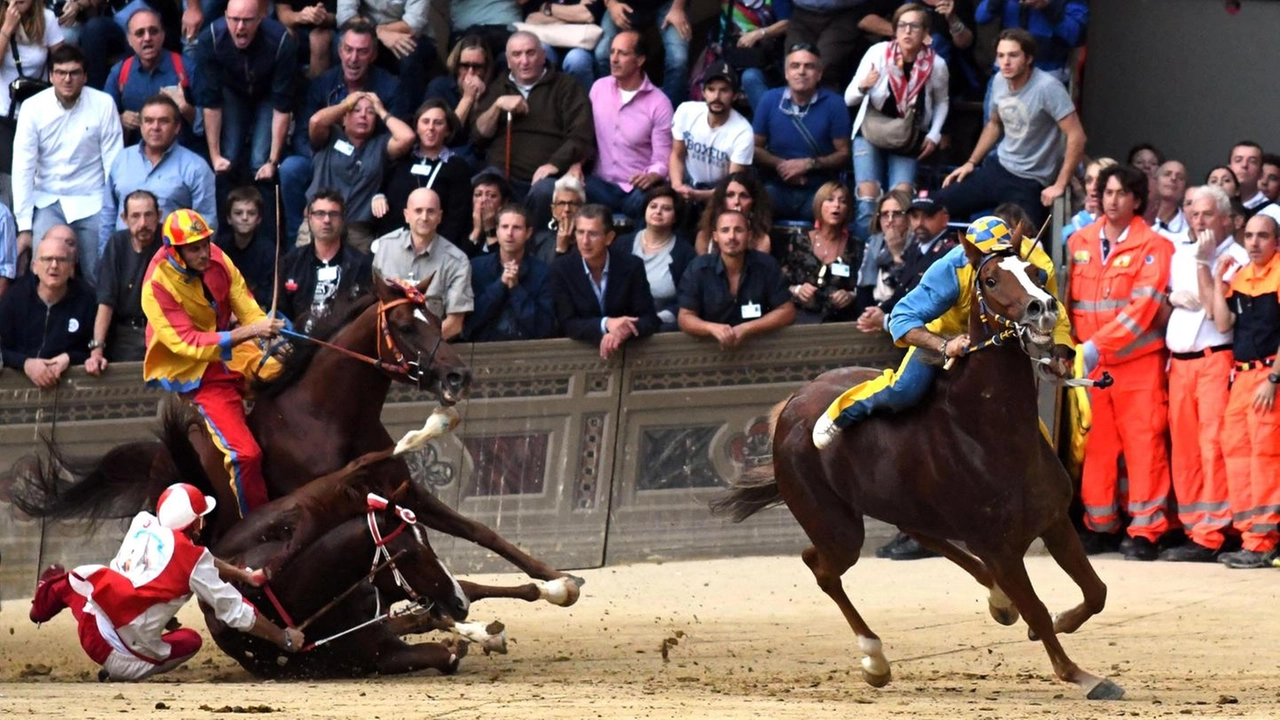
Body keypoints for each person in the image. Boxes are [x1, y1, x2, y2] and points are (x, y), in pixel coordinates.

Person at [813, 215, 1073, 449]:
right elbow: (901, 318)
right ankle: (842, 411)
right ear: (971, 255)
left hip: (1001, 338)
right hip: (944, 335)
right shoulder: (951, 269)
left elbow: (1055, 313)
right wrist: (942, 346)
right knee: (906, 390)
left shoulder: (1036, 264)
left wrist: (1059, 354)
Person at [29, 483, 304, 682]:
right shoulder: (193, 560)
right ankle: (119, 673)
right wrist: (283, 638)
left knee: (67, 584)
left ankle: (38, 608)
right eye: (201, 518)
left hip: (90, 619)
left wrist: (244, 575)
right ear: (194, 523)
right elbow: (235, 611)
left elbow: (200, 561)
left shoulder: (143, 522)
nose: (204, 523)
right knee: (191, 640)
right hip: (116, 654)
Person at [141, 208, 284, 517]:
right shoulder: (156, 286)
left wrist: (267, 335)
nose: (205, 253)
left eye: (206, 243)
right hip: (192, 368)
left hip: (227, 345)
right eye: (195, 248)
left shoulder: (218, 257)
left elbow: (245, 304)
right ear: (176, 252)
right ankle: (259, 523)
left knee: (288, 369)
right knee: (245, 455)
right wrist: (251, 331)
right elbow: (188, 342)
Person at [1067, 165, 1175, 560]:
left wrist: (1095, 345)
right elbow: (1070, 303)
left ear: (1137, 200)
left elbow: (1142, 309)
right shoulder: (1079, 242)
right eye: (1107, 192)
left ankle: (1147, 530)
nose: (1112, 200)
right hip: (1093, 367)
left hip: (1137, 364)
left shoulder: (1155, 246)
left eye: (1120, 194)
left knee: (1144, 448)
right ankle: (1100, 525)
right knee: (1096, 448)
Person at [1159, 185, 1250, 563]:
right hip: (1179, 362)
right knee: (1184, 448)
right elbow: (1172, 302)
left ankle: (1213, 532)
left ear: (1226, 219)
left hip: (1215, 358)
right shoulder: (1181, 252)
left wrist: (1205, 264)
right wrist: (1169, 298)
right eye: (1194, 213)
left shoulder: (1236, 257)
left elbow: (1220, 319)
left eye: (1208, 214)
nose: (1199, 221)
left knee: (1212, 446)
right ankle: (1194, 525)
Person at [934, 29, 1085, 228]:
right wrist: (971, 162)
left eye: (1013, 55)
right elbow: (995, 124)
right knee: (932, 207)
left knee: (1022, 245)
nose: (1005, 62)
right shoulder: (998, 80)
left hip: (1031, 180)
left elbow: (1077, 135)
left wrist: (1060, 184)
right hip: (998, 167)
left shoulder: (1048, 87)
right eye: (1001, 56)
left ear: (1029, 58)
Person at [1205, 214, 1280, 570]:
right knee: (1236, 454)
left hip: (1269, 376)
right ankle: (1251, 536)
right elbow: (1223, 323)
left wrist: (1274, 379)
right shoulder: (1242, 277)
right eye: (1249, 235)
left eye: (1262, 236)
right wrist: (1219, 285)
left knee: (1266, 459)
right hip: (1242, 378)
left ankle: (1264, 541)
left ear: (1275, 241)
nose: (1253, 242)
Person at [12, 44, 123, 282]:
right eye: (61, 72)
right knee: (42, 269)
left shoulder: (104, 104)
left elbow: (114, 164)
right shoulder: (33, 108)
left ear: (85, 76)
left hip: (93, 200)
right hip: (48, 199)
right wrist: (24, 226)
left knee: (99, 273)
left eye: (74, 73)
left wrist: (112, 212)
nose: (67, 79)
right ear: (51, 76)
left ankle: (97, 319)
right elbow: (23, 166)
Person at [471, 31, 595, 232]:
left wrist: (553, 164)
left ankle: (533, 248)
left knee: (546, 191)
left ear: (543, 55)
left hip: (544, 177)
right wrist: (497, 106)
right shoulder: (498, 87)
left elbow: (580, 134)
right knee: (484, 189)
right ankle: (486, 244)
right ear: (508, 61)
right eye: (517, 55)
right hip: (502, 176)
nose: (524, 61)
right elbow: (478, 136)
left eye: (530, 53)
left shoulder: (566, 86)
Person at [844, 4, 950, 203]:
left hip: (908, 133)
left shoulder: (936, 64)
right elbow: (849, 99)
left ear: (926, 33)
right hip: (871, 129)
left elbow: (942, 101)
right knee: (868, 195)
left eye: (914, 26)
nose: (907, 31)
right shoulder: (878, 53)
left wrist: (934, 134)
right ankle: (867, 234)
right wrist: (863, 86)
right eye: (902, 26)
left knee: (901, 198)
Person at [194, 0, 297, 184]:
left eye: (247, 20)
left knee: (260, 161)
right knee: (228, 158)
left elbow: (282, 107)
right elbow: (211, 102)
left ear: (260, 18)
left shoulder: (280, 41)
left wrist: (272, 162)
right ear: (225, 16)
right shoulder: (211, 38)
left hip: (268, 94)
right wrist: (215, 156)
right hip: (232, 91)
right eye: (234, 19)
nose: (240, 27)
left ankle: (264, 207)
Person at [99, 94, 216, 253]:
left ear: (177, 127)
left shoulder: (196, 167)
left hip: (171, 262)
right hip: (124, 258)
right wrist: (105, 255)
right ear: (141, 126)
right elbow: (108, 213)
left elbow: (206, 222)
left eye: (164, 121)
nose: (155, 127)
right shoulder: (122, 159)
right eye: (148, 121)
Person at [301, 91, 414, 252]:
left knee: (358, 276)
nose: (363, 116)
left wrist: (381, 110)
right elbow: (316, 121)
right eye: (356, 110)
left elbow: (407, 137)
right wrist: (346, 104)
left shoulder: (380, 145)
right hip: (319, 221)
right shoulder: (330, 135)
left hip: (357, 230)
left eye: (370, 112)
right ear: (344, 118)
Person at [752, 43, 851, 222]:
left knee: (831, 207)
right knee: (755, 205)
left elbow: (844, 154)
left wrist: (809, 164)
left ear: (819, 74)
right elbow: (755, 148)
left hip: (819, 189)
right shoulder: (769, 100)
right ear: (786, 73)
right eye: (795, 66)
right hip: (777, 186)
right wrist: (784, 166)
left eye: (809, 66)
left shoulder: (835, 104)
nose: (801, 71)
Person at [549, 203, 660, 359]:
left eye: (593, 234)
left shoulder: (631, 266)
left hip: (627, 356)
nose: (585, 241)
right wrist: (606, 324)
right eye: (580, 232)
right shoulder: (561, 269)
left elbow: (650, 319)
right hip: (578, 356)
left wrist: (623, 331)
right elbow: (566, 324)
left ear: (609, 238)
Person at [587, 30, 673, 222]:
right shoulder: (598, 88)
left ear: (640, 60)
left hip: (635, 190)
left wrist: (652, 175)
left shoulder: (659, 103)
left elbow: (663, 158)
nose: (614, 59)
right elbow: (583, 135)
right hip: (599, 184)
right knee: (568, 188)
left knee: (653, 201)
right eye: (612, 52)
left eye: (623, 53)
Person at [678, 208, 795, 349]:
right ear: (715, 236)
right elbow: (685, 317)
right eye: (725, 230)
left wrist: (747, 328)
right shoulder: (698, 268)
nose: (732, 236)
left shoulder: (766, 265)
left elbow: (787, 311)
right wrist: (711, 328)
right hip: (710, 351)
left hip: (759, 350)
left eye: (738, 230)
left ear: (749, 235)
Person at [371, 187, 474, 340]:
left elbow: (454, 324)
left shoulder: (457, 261)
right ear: (406, 215)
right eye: (418, 211)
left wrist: (421, 348)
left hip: (433, 352)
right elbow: (373, 304)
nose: (424, 217)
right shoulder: (385, 248)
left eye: (431, 211)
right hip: (389, 350)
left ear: (440, 217)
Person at [0, 228, 98, 387]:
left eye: (61, 259)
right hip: (18, 387)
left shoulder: (87, 300)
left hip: (70, 388)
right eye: (47, 259)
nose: (54, 265)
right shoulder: (16, 297)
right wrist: (26, 364)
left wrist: (68, 358)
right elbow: (2, 349)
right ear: (34, 266)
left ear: (72, 267)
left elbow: (97, 351)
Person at [377, 99, 473, 242]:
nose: (431, 128)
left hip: (435, 248)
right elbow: (383, 189)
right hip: (394, 244)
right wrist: (378, 196)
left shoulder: (458, 167)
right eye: (425, 121)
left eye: (438, 123)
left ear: (447, 130)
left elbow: (457, 218)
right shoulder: (402, 159)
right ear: (416, 127)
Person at [279, 189, 372, 330]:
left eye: (333, 214)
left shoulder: (361, 265)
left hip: (341, 345)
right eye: (320, 214)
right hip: (297, 343)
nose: (327, 220)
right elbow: (279, 310)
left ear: (342, 219)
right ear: (309, 218)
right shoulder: (291, 262)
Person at [669, 62, 753, 215]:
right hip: (687, 183)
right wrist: (677, 186)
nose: (717, 96)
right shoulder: (686, 111)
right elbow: (677, 155)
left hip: (720, 192)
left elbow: (732, 186)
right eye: (711, 89)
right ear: (703, 92)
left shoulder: (743, 132)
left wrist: (699, 196)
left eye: (724, 91)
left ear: (735, 95)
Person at [103, 8, 195, 147]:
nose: (147, 38)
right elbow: (103, 122)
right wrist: (120, 119)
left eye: (153, 31)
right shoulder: (119, 73)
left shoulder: (186, 68)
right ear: (129, 40)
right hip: (136, 160)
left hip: (181, 158)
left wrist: (185, 109)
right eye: (140, 33)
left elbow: (210, 120)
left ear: (163, 35)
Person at [465, 203, 555, 342]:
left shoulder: (542, 273)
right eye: (505, 227)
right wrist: (500, 285)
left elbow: (544, 328)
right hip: (481, 351)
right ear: (497, 231)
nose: (509, 233)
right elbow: (469, 322)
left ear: (528, 233)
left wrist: (516, 288)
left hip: (528, 352)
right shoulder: (476, 267)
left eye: (517, 228)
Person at [92, 190, 163, 364]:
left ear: (159, 216)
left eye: (148, 215)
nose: (143, 223)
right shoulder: (117, 244)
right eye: (135, 216)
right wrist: (97, 349)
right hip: (127, 334)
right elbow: (106, 301)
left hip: (165, 331)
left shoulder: (169, 241)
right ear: (124, 219)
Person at [613, 185, 695, 331]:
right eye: (653, 206)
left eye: (666, 208)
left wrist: (659, 318)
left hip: (663, 326)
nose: (658, 211)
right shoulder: (622, 244)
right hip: (620, 322)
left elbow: (688, 299)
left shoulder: (685, 252)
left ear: (676, 217)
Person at [783, 181, 859, 324]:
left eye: (842, 201)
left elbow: (864, 290)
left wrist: (851, 295)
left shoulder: (856, 246)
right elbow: (782, 285)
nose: (836, 205)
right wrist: (798, 290)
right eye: (830, 200)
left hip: (840, 323)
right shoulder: (798, 241)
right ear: (819, 205)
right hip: (801, 321)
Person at [334, 0, 438, 104]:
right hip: (365, 31)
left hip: (405, 34)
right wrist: (376, 32)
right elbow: (345, 16)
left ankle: (408, 114)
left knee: (409, 54)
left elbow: (414, 24)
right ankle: (338, 102)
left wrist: (381, 30)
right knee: (340, 44)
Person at [593, 0, 691, 108]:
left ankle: (669, 115)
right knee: (602, 54)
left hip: (667, 4)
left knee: (678, 59)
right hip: (623, 4)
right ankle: (609, 107)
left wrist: (678, 8)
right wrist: (611, 4)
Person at [785, 0, 897, 91]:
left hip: (846, 12)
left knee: (825, 68)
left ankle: (826, 114)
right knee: (794, 66)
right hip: (802, 12)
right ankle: (794, 114)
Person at [708, 0, 789, 112]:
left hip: (771, 61)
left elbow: (787, 23)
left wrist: (759, 34)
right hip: (741, 59)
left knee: (750, 77)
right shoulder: (728, 4)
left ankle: (769, 123)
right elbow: (722, 40)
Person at [0, 0, 64, 120]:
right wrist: (7, 28)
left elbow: (63, 61)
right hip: (4, 111)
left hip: (40, 111)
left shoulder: (47, 18)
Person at [213, 185, 275, 306]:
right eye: (238, 213)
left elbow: (269, 294)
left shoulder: (268, 250)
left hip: (256, 308)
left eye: (251, 213)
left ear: (259, 219)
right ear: (229, 218)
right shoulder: (220, 247)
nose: (244, 218)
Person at [854, 187, 911, 319]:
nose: (890, 220)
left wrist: (896, 254)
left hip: (903, 315)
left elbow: (909, 290)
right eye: (885, 214)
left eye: (897, 214)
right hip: (874, 313)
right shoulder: (873, 243)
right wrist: (867, 316)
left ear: (908, 217)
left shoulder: (918, 245)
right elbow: (864, 287)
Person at [694, 171, 771, 255]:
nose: (736, 201)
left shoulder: (762, 241)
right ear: (722, 200)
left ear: (754, 202)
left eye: (744, 196)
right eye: (730, 195)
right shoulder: (704, 237)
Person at [530, 173, 584, 264]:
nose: (567, 209)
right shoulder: (540, 242)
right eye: (562, 204)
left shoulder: (588, 240)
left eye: (572, 204)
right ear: (553, 210)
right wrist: (560, 249)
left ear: (582, 208)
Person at [277, 0, 337, 79]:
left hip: (324, 27)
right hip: (294, 25)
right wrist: (300, 16)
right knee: (286, 35)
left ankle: (317, 88)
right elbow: (283, 13)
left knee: (319, 40)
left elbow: (336, 16)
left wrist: (320, 16)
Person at [1062, 157, 1116, 241]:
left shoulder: (1127, 224)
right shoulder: (1077, 224)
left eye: (1100, 180)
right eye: (1089, 181)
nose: (1093, 187)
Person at [463, 169, 511, 257]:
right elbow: (460, 260)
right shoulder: (462, 222)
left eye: (491, 196)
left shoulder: (509, 226)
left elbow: (497, 261)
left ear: (504, 202)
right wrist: (476, 230)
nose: (483, 200)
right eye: (478, 195)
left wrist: (489, 228)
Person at [1150, 160, 1189, 241]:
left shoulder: (1189, 228)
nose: (1173, 178)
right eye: (1167, 174)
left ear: (1185, 188)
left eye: (1180, 177)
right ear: (1155, 181)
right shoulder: (1137, 217)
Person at [1228, 141, 1267, 214]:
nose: (1244, 165)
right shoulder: (1214, 208)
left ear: (1261, 172)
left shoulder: (1274, 213)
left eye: (1252, 161)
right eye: (1238, 160)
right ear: (1228, 169)